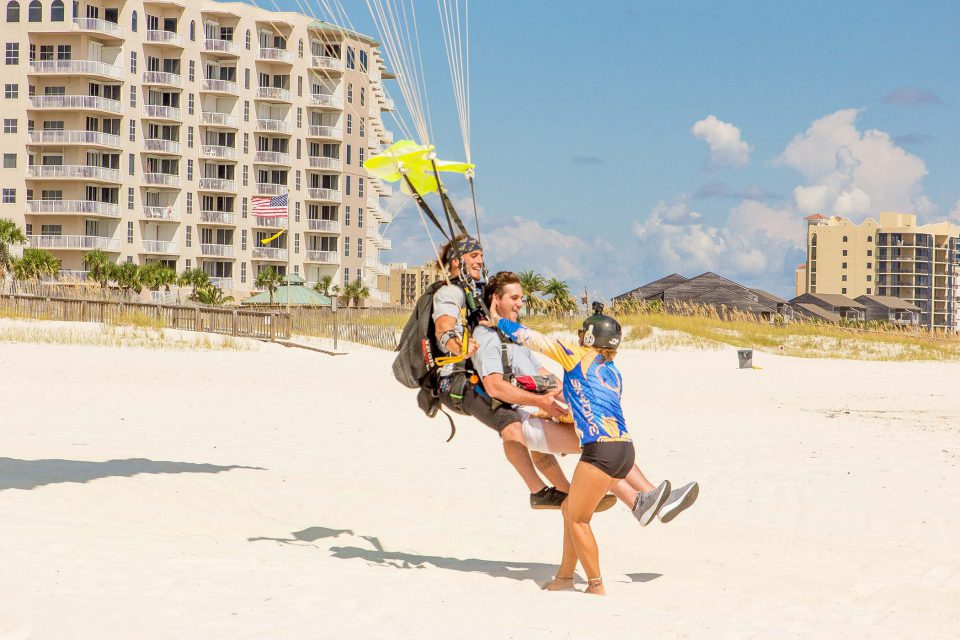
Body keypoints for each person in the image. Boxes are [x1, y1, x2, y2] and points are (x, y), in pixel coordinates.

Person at [489, 304, 698, 595]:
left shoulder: (577, 356)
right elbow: (589, 411)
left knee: (578, 518)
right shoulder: (613, 374)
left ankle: (595, 586)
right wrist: (559, 416)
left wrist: (499, 321)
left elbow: (534, 338)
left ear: (588, 338)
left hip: (600, 451)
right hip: (625, 448)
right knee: (568, 508)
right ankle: (563, 578)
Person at [475, 271, 698, 527]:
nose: (521, 303)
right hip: (529, 416)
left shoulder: (518, 346)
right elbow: (498, 382)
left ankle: (648, 498)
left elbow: (544, 375)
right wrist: (497, 322)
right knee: (601, 447)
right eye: (514, 297)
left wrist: (570, 400)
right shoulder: (490, 338)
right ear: (495, 299)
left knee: (607, 438)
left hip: (545, 412)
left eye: (521, 298)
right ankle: (639, 502)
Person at [431, 235, 577, 510]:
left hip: (485, 375)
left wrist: (570, 396)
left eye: (481, 255)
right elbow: (444, 328)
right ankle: (538, 492)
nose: (480, 260)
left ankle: (567, 493)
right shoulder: (449, 292)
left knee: (526, 428)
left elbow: (537, 371)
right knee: (511, 423)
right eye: (473, 255)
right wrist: (455, 344)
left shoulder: (476, 293)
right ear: (456, 261)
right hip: (459, 381)